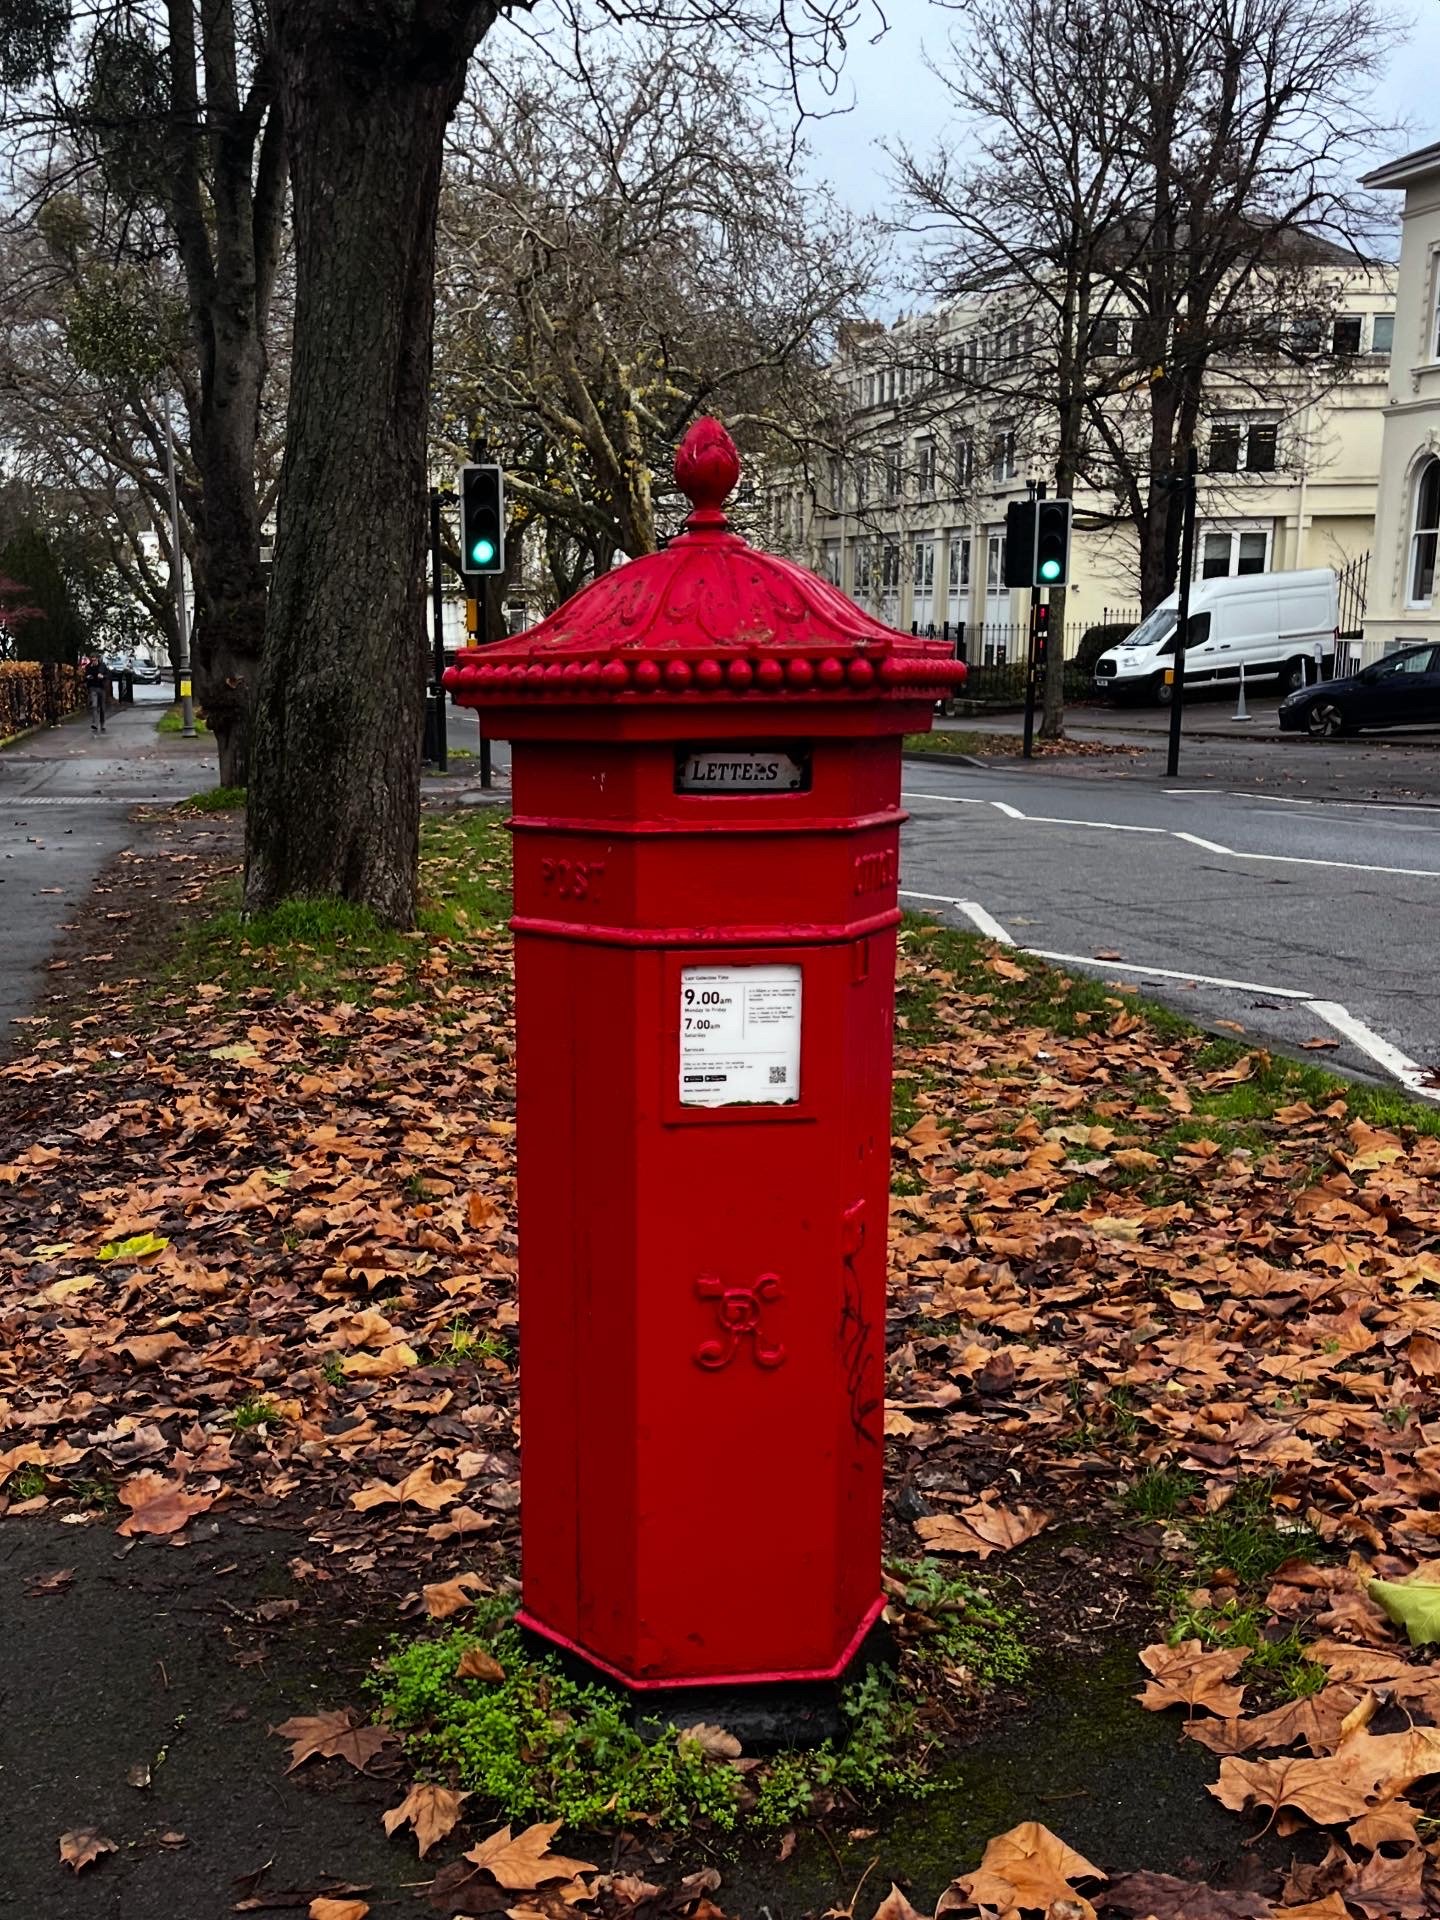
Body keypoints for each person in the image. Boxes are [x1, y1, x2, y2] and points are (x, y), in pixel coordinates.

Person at [83, 654, 107, 734]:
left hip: (101, 688)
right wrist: (87, 677)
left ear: (97, 659)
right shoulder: (88, 667)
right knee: (94, 705)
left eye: (95, 660)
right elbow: (85, 675)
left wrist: (103, 676)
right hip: (93, 688)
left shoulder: (102, 666)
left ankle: (102, 724)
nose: (93, 661)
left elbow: (109, 675)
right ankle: (95, 724)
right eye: (92, 660)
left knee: (102, 708)